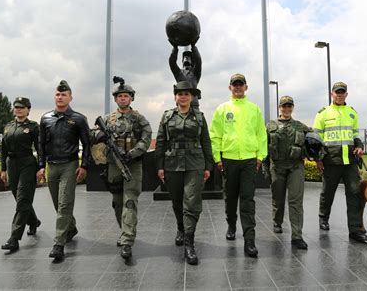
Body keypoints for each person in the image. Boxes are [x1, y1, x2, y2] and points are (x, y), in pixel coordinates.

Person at [91, 78, 152, 259]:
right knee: (118, 203)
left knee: (129, 202)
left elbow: (146, 137)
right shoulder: (107, 119)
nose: (123, 99)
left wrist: (132, 153)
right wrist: (99, 134)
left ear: (131, 99)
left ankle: (127, 240)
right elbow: (92, 132)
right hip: (113, 166)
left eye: (126, 96)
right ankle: (124, 230)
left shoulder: (139, 118)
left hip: (132, 165)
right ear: (116, 99)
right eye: (120, 96)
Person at [155, 81, 213, 265]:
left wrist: (208, 166)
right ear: (175, 96)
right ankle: (180, 227)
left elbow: (206, 142)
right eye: (180, 93)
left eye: (186, 93)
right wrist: (159, 166)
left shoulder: (200, 117)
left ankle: (189, 242)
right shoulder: (167, 116)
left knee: (192, 201)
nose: (183, 96)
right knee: (177, 201)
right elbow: (161, 142)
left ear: (192, 97)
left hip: (195, 164)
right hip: (172, 164)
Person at [209, 73, 267, 258]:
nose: (238, 87)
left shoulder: (254, 109)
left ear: (246, 87)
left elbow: (261, 134)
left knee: (248, 199)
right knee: (231, 197)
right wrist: (217, 158)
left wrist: (260, 157)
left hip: (250, 160)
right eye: (235, 84)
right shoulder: (222, 109)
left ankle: (249, 240)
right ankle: (232, 224)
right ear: (230, 88)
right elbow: (215, 135)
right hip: (229, 159)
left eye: (241, 84)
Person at [37, 80, 90, 260]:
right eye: (58, 94)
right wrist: (41, 166)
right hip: (52, 165)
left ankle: (58, 244)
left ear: (70, 97)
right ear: (55, 96)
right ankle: (71, 227)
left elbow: (87, 144)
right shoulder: (45, 118)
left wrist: (84, 166)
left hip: (69, 165)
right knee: (57, 204)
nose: (60, 97)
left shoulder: (79, 119)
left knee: (65, 203)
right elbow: (41, 144)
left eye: (64, 94)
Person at [313, 81, 367, 243]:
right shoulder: (323, 113)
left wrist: (359, 147)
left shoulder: (352, 113)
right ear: (332, 94)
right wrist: (318, 159)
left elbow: (355, 135)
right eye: (336, 92)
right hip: (330, 161)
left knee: (354, 194)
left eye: (342, 92)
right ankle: (323, 217)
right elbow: (316, 139)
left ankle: (355, 229)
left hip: (350, 161)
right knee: (327, 192)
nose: (339, 94)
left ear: (346, 94)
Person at [267, 96, 311, 250]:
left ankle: (297, 236)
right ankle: (277, 221)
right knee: (278, 199)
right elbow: (264, 149)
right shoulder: (270, 126)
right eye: (284, 106)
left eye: (289, 106)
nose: (286, 109)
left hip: (295, 167)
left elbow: (313, 142)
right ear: (279, 108)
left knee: (296, 202)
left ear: (293, 107)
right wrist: (266, 169)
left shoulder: (301, 127)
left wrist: (314, 152)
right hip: (277, 167)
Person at [0, 97, 41, 252]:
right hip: (12, 164)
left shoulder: (33, 127)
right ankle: (34, 221)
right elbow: (3, 149)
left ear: (28, 110)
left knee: (23, 198)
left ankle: (14, 238)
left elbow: (39, 148)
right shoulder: (8, 126)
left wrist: (41, 167)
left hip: (27, 164)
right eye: (16, 107)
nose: (18, 109)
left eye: (22, 107)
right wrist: (3, 169)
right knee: (19, 197)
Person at [169, 37, 202, 108]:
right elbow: (172, 63)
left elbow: (198, 61)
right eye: (184, 57)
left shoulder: (195, 73)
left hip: (193, 105)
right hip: (181, 105)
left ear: (192, 61)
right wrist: (175, 49)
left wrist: (193, 47)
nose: (186, 59)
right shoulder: (179, 73)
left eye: (188, 57)